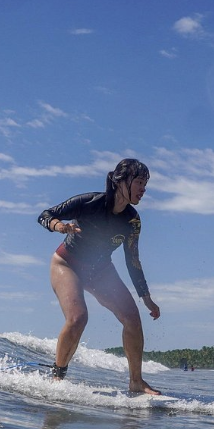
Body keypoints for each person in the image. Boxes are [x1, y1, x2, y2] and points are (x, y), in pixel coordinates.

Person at [37, 158, 161, 395]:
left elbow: (132, 260)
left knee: (133, 319)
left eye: (145, 184)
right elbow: (45, 214)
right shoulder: (88, 202)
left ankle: (136, 381)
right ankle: (57, 377)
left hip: (100, 270)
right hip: (67, 264)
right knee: (78, 317)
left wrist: (146, 297)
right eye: (139, 182)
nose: (143, 189)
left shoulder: (132, 221)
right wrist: (59, 226)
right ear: (120, 181)